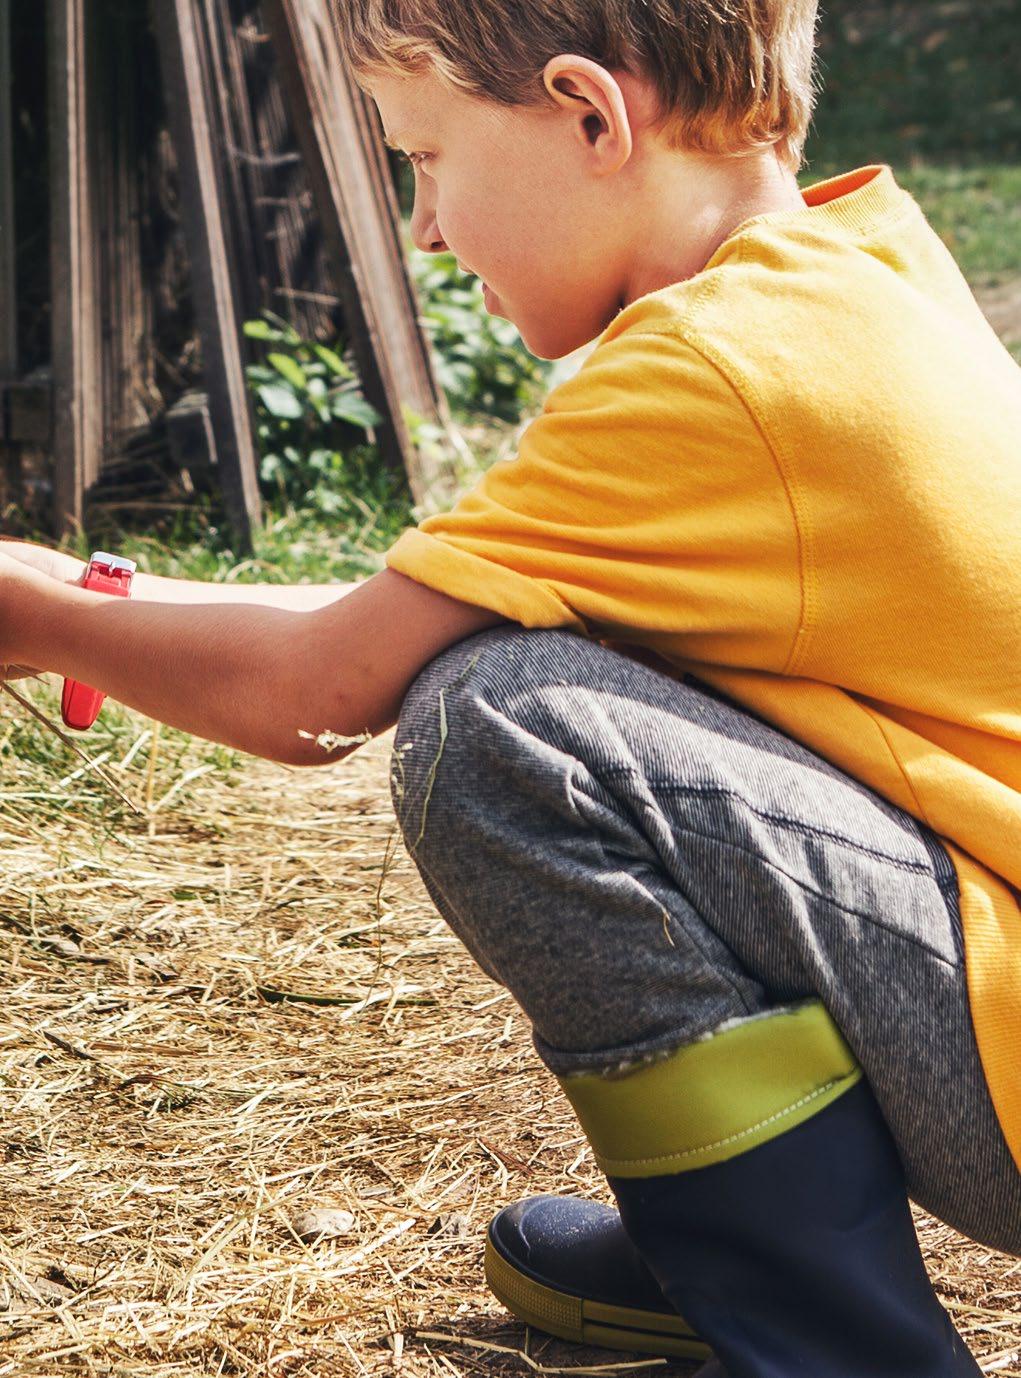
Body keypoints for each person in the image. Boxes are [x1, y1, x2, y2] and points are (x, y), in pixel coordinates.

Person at [2, 1, 1020, 1372]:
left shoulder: (713, 368)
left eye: (424, 159)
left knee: (498, 731)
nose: (423, 230)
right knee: (526, 674)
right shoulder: (847, 265)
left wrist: (34, 614)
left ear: (589, 115)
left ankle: (823, 1332)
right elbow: (397, 610)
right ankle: (726, 1240)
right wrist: (81, 601)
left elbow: (323, 687)